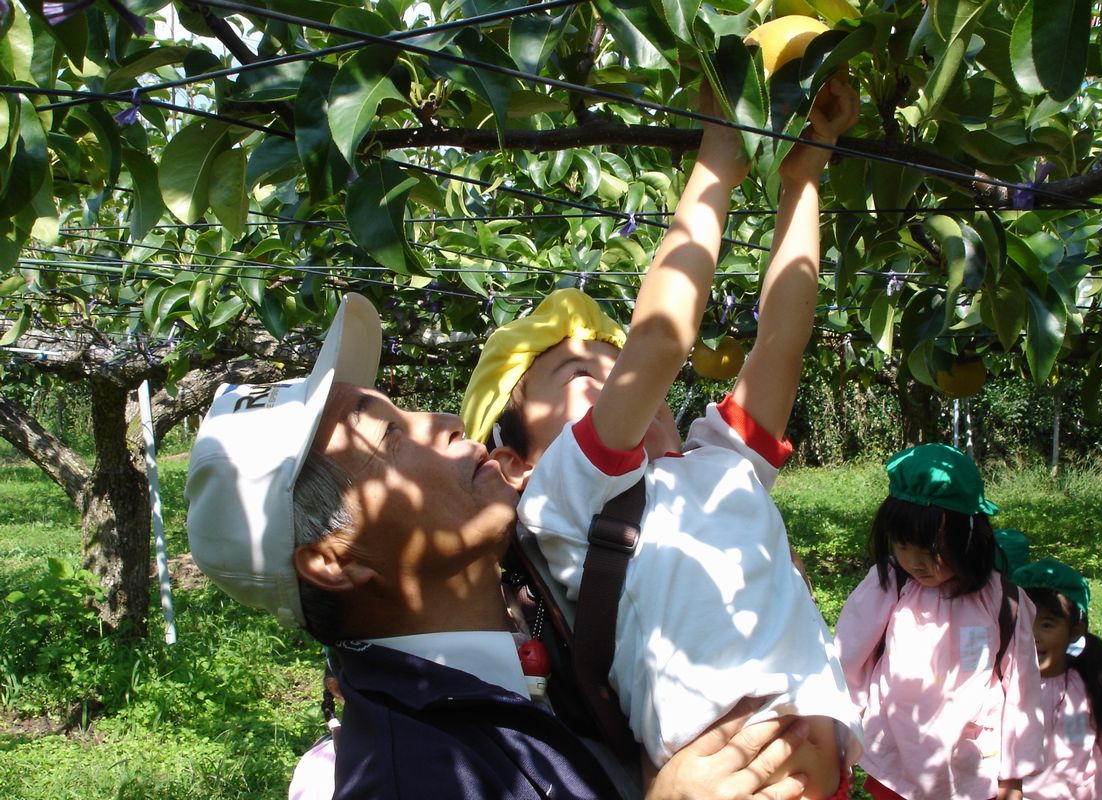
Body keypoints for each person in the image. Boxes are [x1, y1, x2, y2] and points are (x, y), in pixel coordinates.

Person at [185, 292, 818, 800]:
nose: (446, 422)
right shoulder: (411, 775)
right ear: (335, 557)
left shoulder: (548, 607)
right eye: (390, 437)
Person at [460, 78, 863, 797]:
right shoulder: (564, 499)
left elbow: (782, 341)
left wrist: (805, 178)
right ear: (517, 462)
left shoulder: (724, 462)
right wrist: (716, 161)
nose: (619, 380)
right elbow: (661, 341)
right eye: (582, 374)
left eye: (613, 366)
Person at [833, 443, 1045, 800]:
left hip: (971, 763)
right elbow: (849, 657)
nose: (915, 563)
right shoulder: (890, 582)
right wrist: (840, 731)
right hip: (896, 756)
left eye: (932, 551)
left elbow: (1022, 687)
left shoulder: (1003, 601)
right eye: (902, 546)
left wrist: (1013, 777)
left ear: (969, 537)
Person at [1012, 558, 1102, 800]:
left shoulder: (1090, 684)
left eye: (1047, 625)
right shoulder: (1007, 685)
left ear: (1075, 630)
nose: (1034, 635)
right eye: (1026, 623)